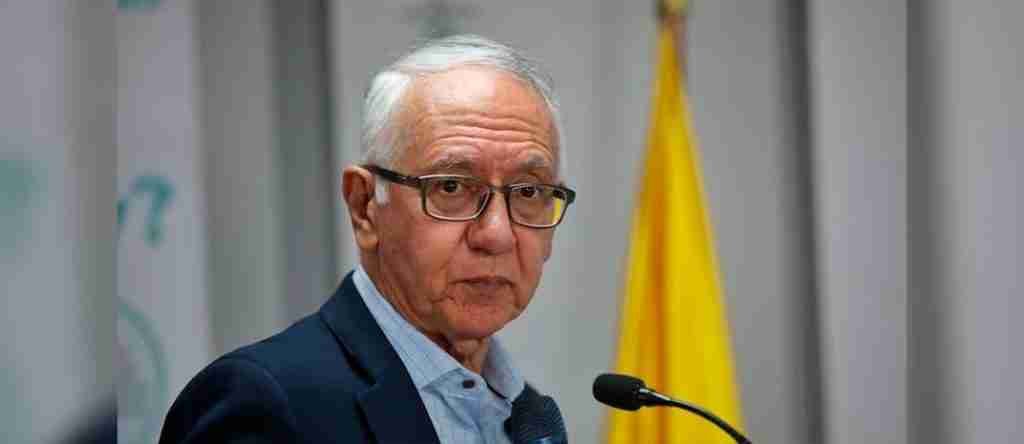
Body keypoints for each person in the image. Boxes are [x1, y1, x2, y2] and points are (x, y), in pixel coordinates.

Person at [159, 34, 575, 444]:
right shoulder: (265, 406)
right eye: (451, 186)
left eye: (528, 191)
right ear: (364, 206)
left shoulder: (529, 418)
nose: (497, 234)